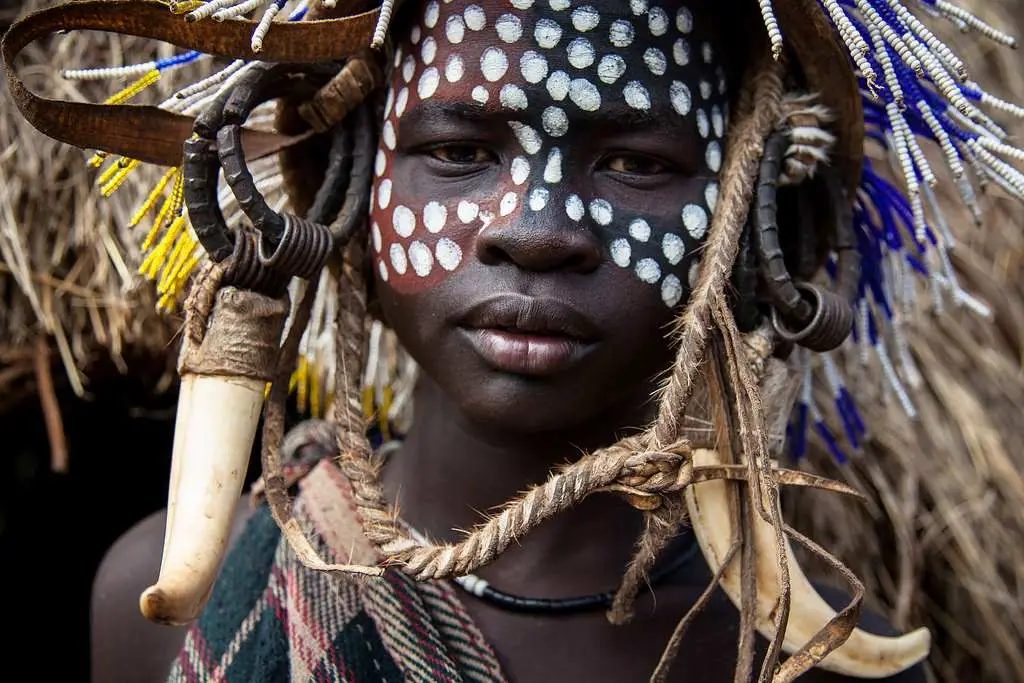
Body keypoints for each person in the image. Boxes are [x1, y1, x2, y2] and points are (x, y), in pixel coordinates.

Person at [4, 0, 1023, 680]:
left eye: (631, 161)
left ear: (756, 217)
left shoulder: (820, 655)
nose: (533, 226)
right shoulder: (171, 606)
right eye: (456, 150)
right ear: (346, 186)